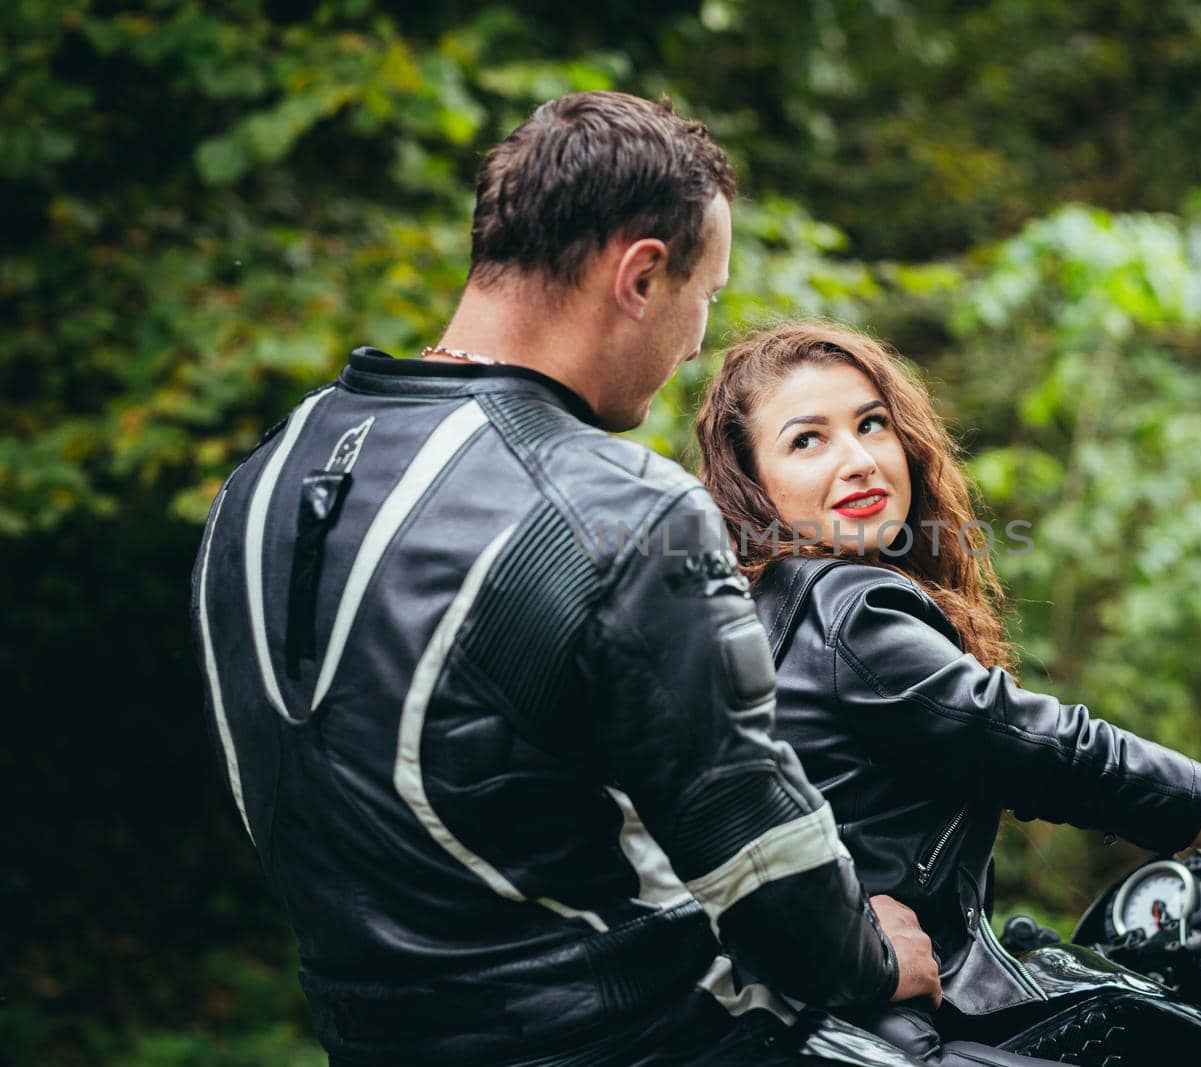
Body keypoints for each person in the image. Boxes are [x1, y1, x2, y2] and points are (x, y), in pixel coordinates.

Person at [189, 93, 953, 1067]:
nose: (691, 343)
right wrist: (873, 954)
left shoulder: (261, 479)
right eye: (703, 296)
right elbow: (753, 843)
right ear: (640, 274)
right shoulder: (613, 500)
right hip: (642, 1036)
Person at [693, 321, 1201, 1058]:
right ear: (750, 485)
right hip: (888, 1022)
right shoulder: (850, 614)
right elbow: (1064, 757)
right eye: (807, 440)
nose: (858, 460)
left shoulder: (754, 616)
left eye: (871, 423)